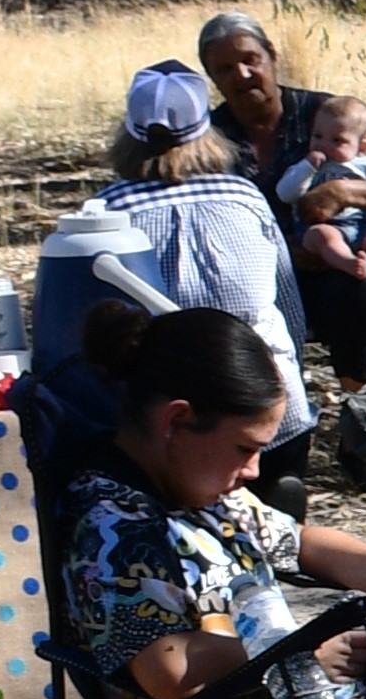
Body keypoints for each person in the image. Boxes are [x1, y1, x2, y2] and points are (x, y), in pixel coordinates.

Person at [55, 306, 366, 699]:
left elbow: (297, 540)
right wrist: (297, 650)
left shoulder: (206, 490)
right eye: (246, 448)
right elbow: (168, 667)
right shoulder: (113, 529)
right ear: (177, 421)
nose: (255, 471)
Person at [86, 63, 329, 450]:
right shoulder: (245, 196)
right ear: (208, 132)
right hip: (266, 416)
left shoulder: (105, 211)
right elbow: (288, 309)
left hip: (168, 430)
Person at [273, 95, 366, 385]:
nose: (324, 145)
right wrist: (308, 168)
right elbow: (286, 192)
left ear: (360, 144)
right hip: (315, 236)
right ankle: (349, 262)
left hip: (361, 227)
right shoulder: (308, 164)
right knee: (325, 238)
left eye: (336, 141)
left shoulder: (364, 162)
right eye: (317, 137)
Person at [197, 10, 312, 189]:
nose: (242, 75)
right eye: (225, 69)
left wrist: (347, 192)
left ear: (272, 56)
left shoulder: (324, 113)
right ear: (212, 77)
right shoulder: (207, 137)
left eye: (250, 60)